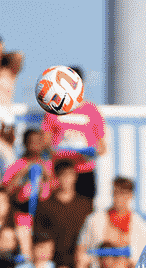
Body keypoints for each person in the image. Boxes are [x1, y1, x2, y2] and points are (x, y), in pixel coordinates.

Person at [41, 65, 105, 203]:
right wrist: (58, 151)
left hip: (84, 171)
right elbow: (45, 141)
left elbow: (102, 147)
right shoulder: (53, 108)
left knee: (84, 211)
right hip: (60, 170)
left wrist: (90, 152)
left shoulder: (91, 110)